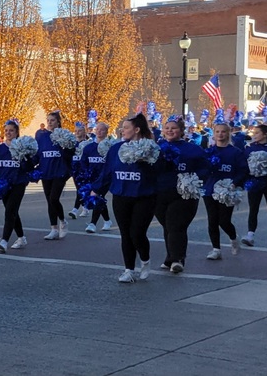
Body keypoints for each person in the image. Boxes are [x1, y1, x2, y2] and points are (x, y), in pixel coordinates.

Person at [91, 113, 159, 283]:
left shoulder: (150, 148)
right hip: (121, 196)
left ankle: (145, 260)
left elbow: (160, 172)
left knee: (137, 232)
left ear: (136, 130)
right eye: (122, 127)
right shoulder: (115, 148)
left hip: (144, 196)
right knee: (125, 234)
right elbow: (107, 172)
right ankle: (128, 269)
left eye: (126, 127)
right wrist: (97, 190)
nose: (122, 130)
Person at [154, 117, 209, 273]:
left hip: (184, 195)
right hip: (160, 193)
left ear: (182, 131)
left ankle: (178, 259)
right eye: (167, 128)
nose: (170, 131)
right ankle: (170, 256)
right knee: (167, 225)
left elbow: (205, 169)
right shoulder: (156, 148)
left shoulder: (193, 149)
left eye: (174, 128)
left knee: (175, 225)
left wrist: (194, 179)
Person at [203, 121, 247, 260]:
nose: (220, 134)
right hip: (210, 190)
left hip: (227, 191)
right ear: (214, 134)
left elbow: (243, 170)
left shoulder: (236, 152)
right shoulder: (209, 151)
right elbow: (202, 170)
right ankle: (216, 249)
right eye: (217, 132)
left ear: (228, 133)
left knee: (224, 221)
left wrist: (234, 183)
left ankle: (234, 239)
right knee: (212, 220)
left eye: (223, 131)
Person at [0, 119, 34, 253]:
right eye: (6, 130)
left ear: (16, 132)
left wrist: (24, 156)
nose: (8, 133)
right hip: (3, 185)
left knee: (9, 211)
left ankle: (4, 240)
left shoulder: (22, 148)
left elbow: (28, 168)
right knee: (12, 212)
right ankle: (21, 237)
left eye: (11, 130)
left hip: (18, 184)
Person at [36, 111, 74, 240]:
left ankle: (63, 221)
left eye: (52, 120)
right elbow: (38, 153)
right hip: (46, 172)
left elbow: (71, 153)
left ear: (58, 121)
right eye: (48, 120)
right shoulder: (42, 136)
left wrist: (66, 147)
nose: (50, 123)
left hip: (59, 172)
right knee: (49, 201)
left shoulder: (64, 135)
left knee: (54, 198)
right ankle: (53, 229)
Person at [78, 122, 113, 233]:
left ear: (106, 132)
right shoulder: (89, 147)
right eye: (97, 129)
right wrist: (86, 175)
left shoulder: (110, 148)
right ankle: (107, 220)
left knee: (97, 196)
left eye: (102, 130)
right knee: (99, 198)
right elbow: (83, 162)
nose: (99, 131)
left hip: (105, 179)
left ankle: (93, 224)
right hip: (92, 178)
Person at [68, 122, 91, 219]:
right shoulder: (73, 144)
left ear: (84, 132)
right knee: (80, 189)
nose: (77, 132)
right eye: (76, 131)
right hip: (75, 170)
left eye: (80, 131)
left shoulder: (88, 143)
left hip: (84, 170)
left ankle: (75, 209)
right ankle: (85, 207)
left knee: (80, 189)